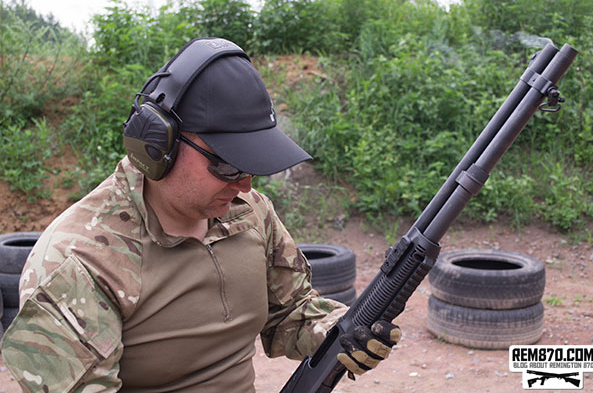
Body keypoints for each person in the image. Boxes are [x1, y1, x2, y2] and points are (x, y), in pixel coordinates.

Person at [1, 37, 400, 392]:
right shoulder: (79, 260)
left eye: (252, 167)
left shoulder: (250, 213)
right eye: (228, 166)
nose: (245, 185)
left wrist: (340, 331)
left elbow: (291, 314)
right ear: (158, 144)